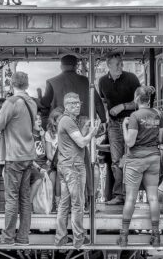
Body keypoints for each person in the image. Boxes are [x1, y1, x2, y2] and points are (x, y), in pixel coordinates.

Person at [40, 54, 106, 207]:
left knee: (65, 168)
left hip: (61, 125)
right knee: (88, 164)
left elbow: (44, 104)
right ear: (76, 65)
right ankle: (89, 201)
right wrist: (103, 120)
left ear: (61, 65)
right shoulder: (86, 81)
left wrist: (46, 124)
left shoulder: (52, 82)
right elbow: (97, 103)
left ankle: (63, 204)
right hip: (84, 125)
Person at [0, 72, 37, 246]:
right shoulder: (32, 103)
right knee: (25, 199)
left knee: (12, 198)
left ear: (12, 84)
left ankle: (7, 238)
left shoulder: (11, 102)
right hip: (28, 154)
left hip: (15, 155)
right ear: (26, 85)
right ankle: (23, 238)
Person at [118, 86, 163, 247]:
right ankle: (156, 236)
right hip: (153, 158)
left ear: (137, 99)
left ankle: (123, 237)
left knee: (130, 198)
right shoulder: (158, 114)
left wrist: (124, 126)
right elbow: (160, 138)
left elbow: (130, 142)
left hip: (136, 160)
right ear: (149, 99)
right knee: (153, 198)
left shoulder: (134, 116)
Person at [54, 92, 98, 249]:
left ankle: (60, 238)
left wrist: (85, 131)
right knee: (77, 204)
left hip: (66, 166)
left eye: (78, 103)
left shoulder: (67, 120)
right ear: (66, 106)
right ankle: (78, 239)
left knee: (64, 204)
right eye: (72, 103)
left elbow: (76, 141)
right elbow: (81, 143)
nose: (77, 105)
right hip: (74, 167)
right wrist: (92, 133)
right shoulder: (68, 121)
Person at [98, 52, 141, 205]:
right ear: (108, 65)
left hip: (131, 123)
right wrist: (105, 120)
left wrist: (122, 106)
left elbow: (140, 103)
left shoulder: (132, 78)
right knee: (116, 160)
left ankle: (131, 194)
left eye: (121, 63)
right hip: (114, 125)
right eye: (117, 64)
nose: (121, 66)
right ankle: (119, 195)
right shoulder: (102, 81)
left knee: (131, 158)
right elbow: (103, 103)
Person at [45, 107, 64, 210]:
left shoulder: (65, 132)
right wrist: (56, 162)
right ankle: (55, 203)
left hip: (64, 163)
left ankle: (59, 203)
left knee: (59, 174)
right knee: (55, 174)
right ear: (55, 122)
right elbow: (48, 154)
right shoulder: (49, 134)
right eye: (59, 120)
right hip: (54, 162)